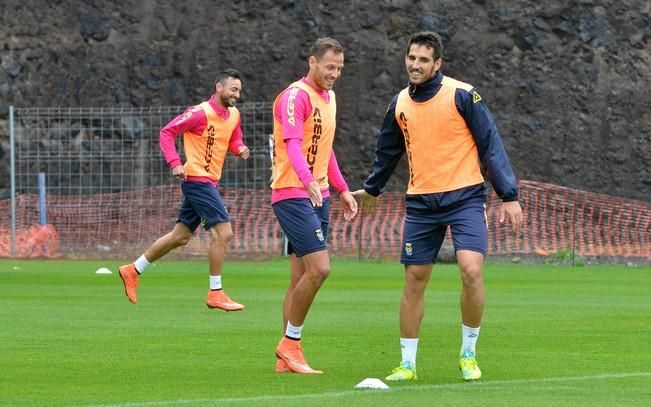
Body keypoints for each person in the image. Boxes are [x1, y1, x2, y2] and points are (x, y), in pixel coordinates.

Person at [352, 32, 523, 382]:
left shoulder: (462, 94)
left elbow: (490, 142)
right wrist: (372, 189)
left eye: (423, 60)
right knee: (414, 279)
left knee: (471, 269)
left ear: (437, 64)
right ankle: (408, 365)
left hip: (465, 198)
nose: (415, 65)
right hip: (421, 203)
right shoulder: (398, 103)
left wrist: (509, 195)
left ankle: (468, 354)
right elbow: (387, 152)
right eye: (411, 58)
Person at [118, 69, 250, 311]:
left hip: (208, 181)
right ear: (218, 87)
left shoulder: (234, 115)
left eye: (239, 90)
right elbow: (167, 132)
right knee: (224, 233)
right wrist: (175, 163)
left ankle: (133, 269)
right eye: (233, 89)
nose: (237, 94)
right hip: (196, 179)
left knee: (180, 237)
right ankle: (216, 292)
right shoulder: (200, 113)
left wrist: (239, 149)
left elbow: (234, 138)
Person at [271, 38, 358, 374]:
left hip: (317, 194)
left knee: (299, 278)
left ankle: (285, 359)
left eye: (339, 68)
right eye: (329, 67)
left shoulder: (330, 97)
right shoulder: (296, 96)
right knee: (320, 269)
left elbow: (325, 147)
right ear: (312, 62)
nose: (334, 73)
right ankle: (291, 343)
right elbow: (293, 143)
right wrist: (306, 179)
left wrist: (342, 188)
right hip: (293, 193)